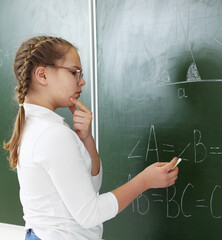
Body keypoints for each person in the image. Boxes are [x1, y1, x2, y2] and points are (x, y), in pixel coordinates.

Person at [3, 36, 179, 240]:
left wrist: (86, 139)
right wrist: (144, 181)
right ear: (42, 75)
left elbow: (90, 188)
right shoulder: (52, 134)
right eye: (74, 72)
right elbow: (90, 214)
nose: (82, 81)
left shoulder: (38, 125)